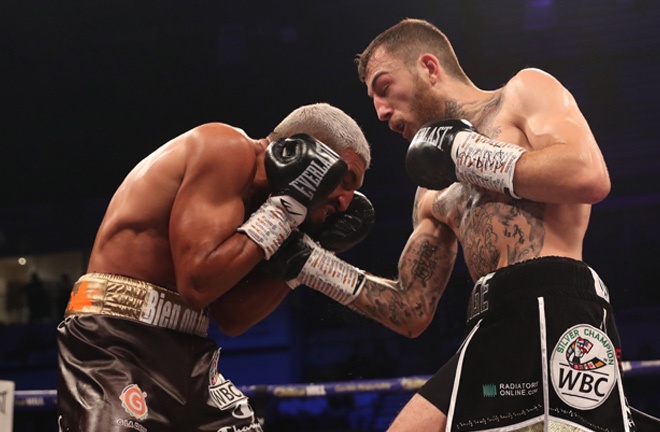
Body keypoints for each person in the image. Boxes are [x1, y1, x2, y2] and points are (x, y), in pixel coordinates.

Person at [261, 18, 656, 431]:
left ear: (429, 68)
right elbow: (411, 310)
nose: (380, 111)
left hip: (552, 309)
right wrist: (309, 263)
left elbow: (588, 176)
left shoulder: (522, 93)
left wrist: (464, 152)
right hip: (488, 324)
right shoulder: (430, 192)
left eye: (384, 87)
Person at [57, 102, 372, 432]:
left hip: (189, 353)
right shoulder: (227, 148)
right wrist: (286, 211)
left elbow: (231, 317)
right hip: (116, 340)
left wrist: (308, 251)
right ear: (304, 153)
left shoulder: (269, 214)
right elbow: (197, 285)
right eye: (345, 180)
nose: (345, 202)